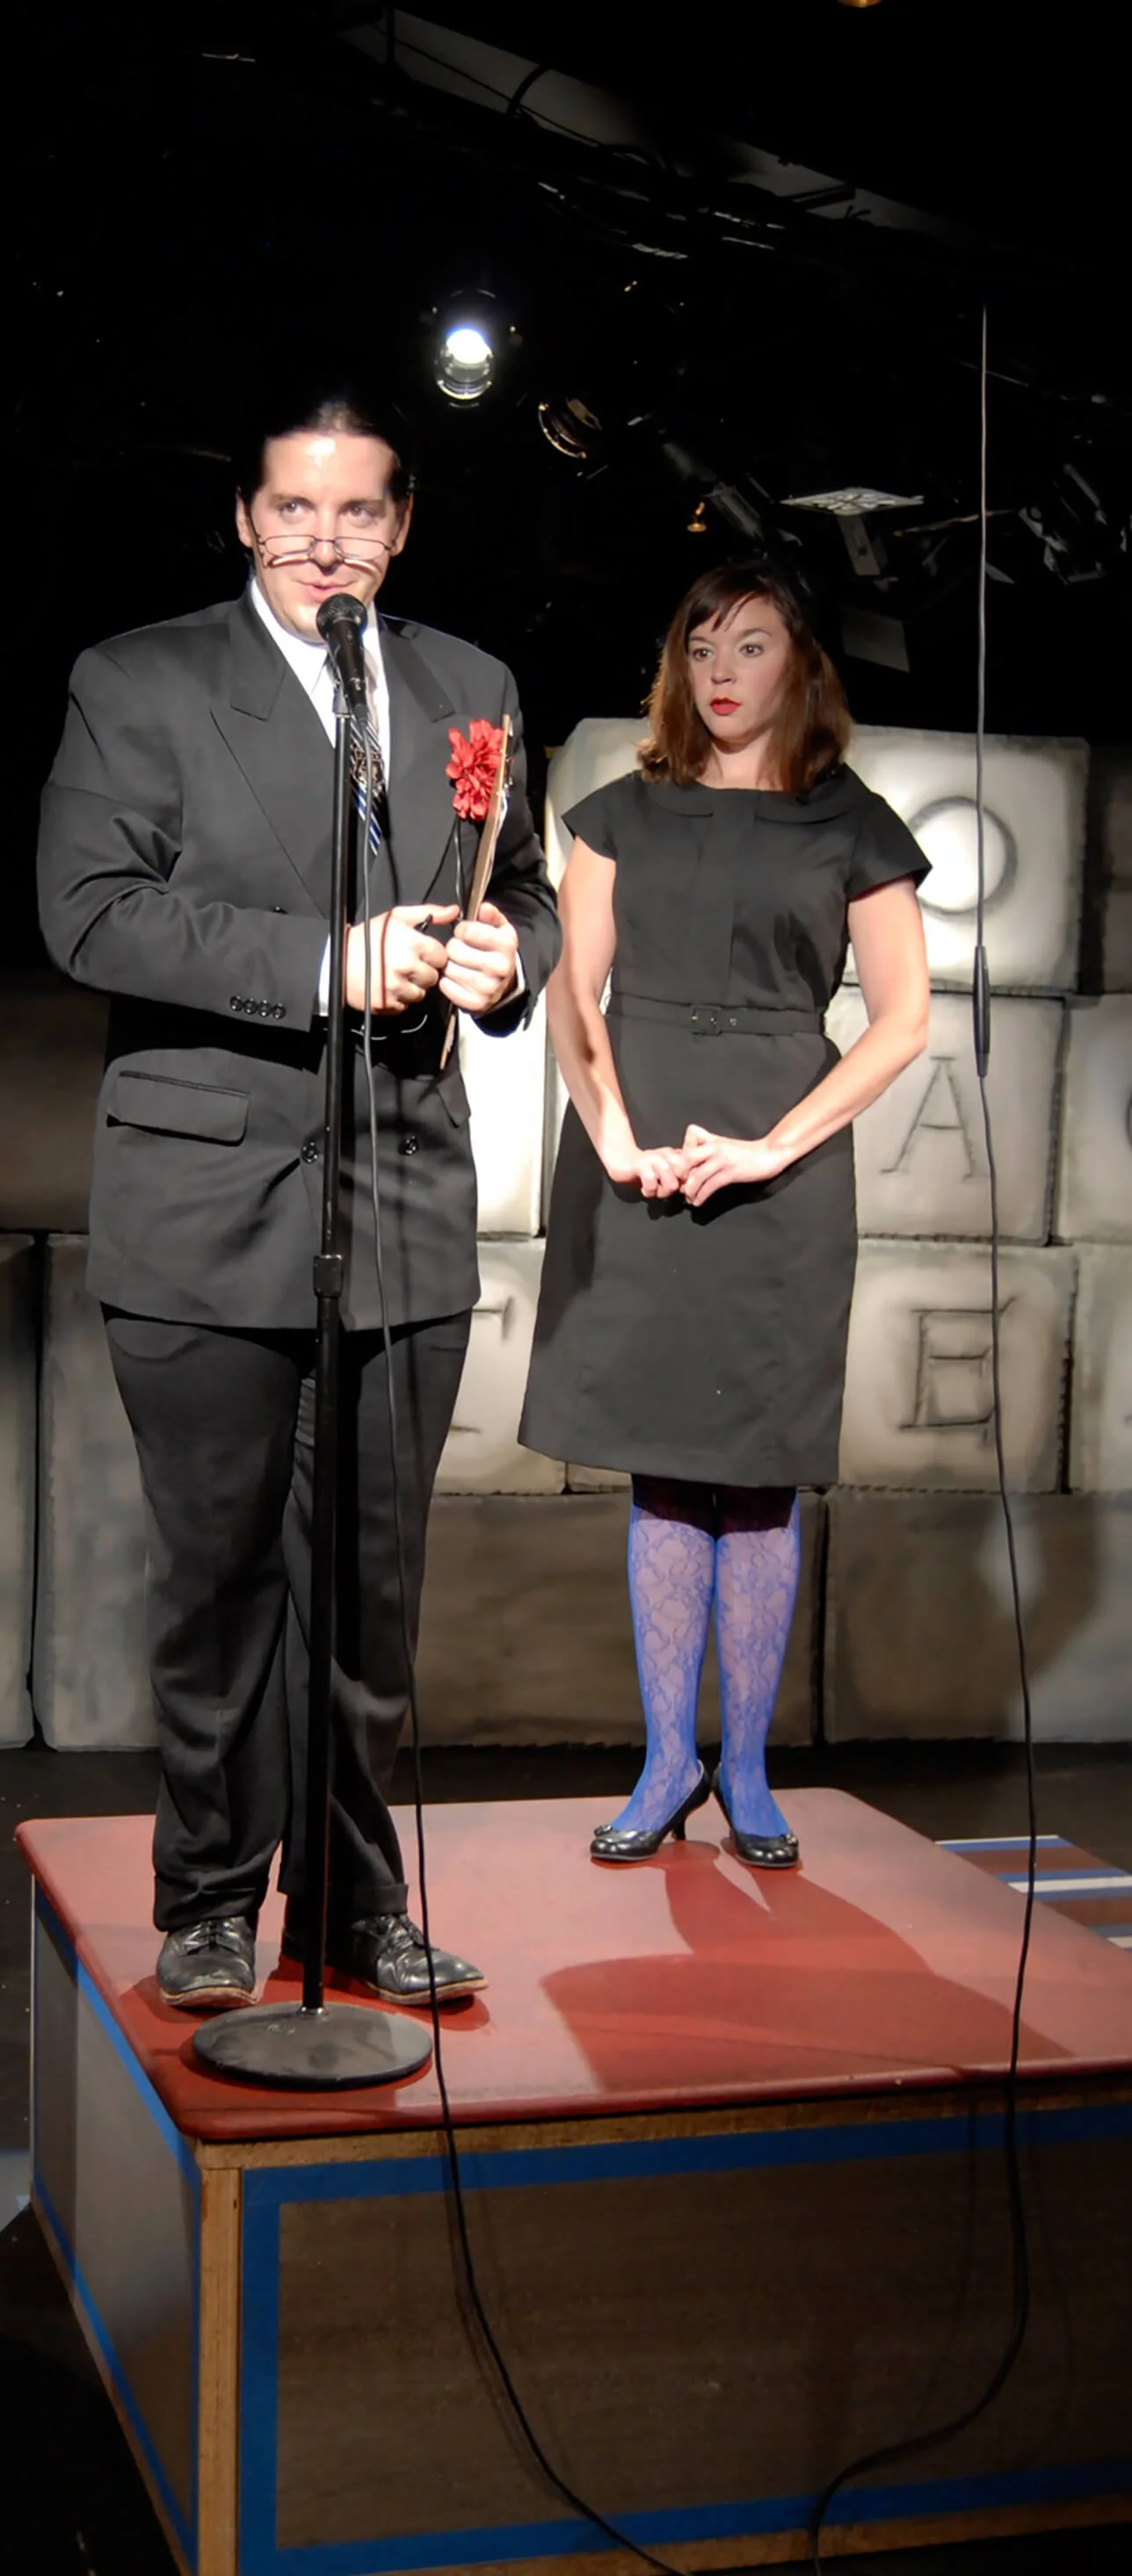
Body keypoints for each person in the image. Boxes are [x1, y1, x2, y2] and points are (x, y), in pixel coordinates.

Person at [39, 382, 560, 2010]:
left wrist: (505, 956)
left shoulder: (467, 684)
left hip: (400, 1195)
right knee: (217, 1581)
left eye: (357, 515)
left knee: (368, 1598)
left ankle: (350, 1903)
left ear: (399, 527)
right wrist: (329, 962)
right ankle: (207, 1895)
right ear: (247, 522)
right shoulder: (141, 678)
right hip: (205, 1204)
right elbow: (92, 913)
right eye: (294, 512)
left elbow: (526, 885)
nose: (324, 542)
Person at [523, 563, 929, 1867]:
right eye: (702, 641)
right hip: (636, 1155)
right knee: (657, 1467)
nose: (722, 667)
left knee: (757, 1477)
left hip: (781, 1167)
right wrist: (617, 1140)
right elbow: (572, 1000)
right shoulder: (614, 816)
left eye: (752, 645)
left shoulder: (849, 820)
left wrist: (772, 1148)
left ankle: (749, 1768)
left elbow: (903, 1020)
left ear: (802, 667)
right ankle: (664, 1759)